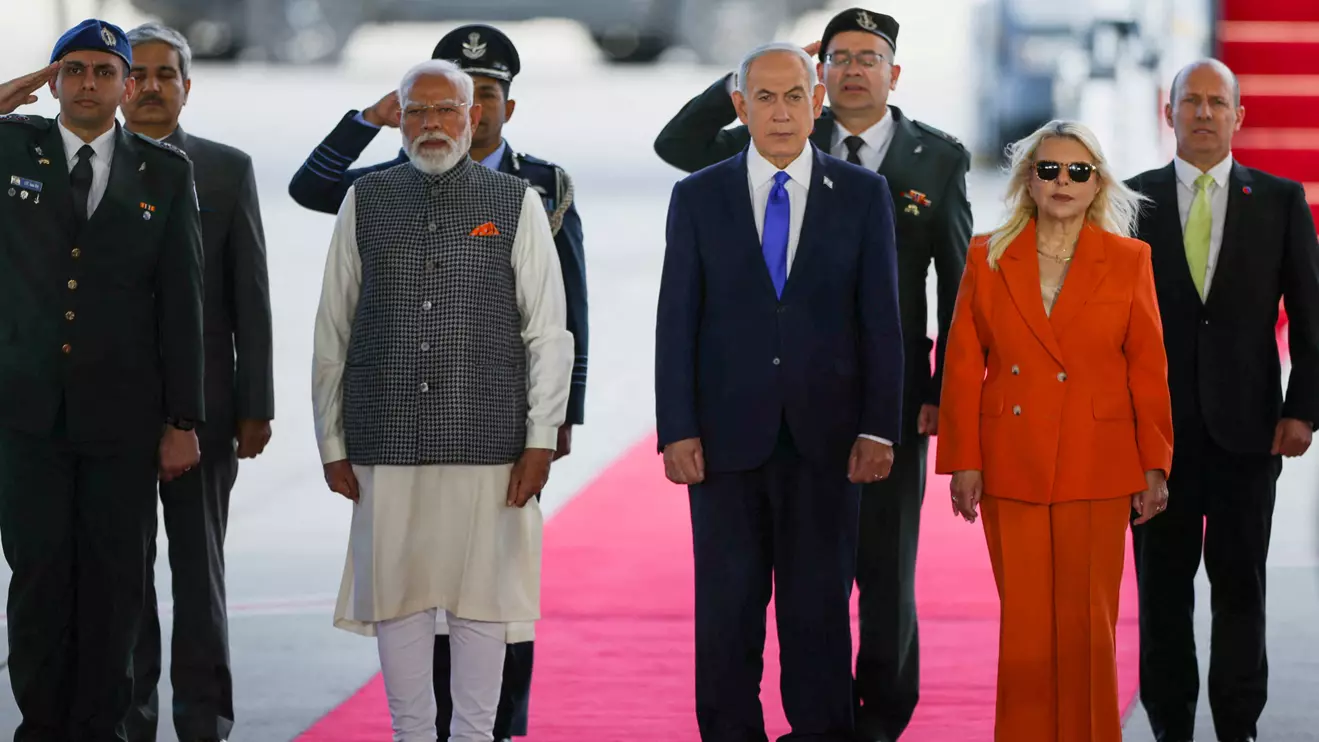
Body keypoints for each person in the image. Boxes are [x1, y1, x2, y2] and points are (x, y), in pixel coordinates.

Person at [653, 11, 971, 735]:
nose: (852, 69)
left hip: (862, 412)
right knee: (735, 605)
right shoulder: (738, 164)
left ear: (891, 72)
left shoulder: (923, 163)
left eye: (869, 57)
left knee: (865, 586)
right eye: (836, 57)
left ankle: (875, 718)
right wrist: (759, 71)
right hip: (738, 426)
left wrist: (937, 393)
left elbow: (929, 298)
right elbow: (676, 315)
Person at [291, 31, 585, 735]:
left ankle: (480, 734)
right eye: (414, 111)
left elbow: (550, 331)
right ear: (396, 114)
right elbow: (332, 327)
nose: (431, 125)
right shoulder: (365, 198)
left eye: (446, 110)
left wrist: (543, 436)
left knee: (485, 604)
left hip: (491, 441)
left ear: (473, 117)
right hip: (384, 438)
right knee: (398, 599)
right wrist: (331, 440)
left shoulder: (517, 200)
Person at [0, 19, 205, 740]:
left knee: (117, 588)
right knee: (37, 585)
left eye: (103, 71)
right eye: (74, 69)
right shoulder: (10, 149)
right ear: (53, 80)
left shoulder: (165, 171)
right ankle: (41, 727)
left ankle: (102, 729)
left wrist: (182, 420)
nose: (88, 83)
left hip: (123, 420)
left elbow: (182, 304)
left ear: (126, 84)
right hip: (25, 418)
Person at [935, 120, 1173, 741]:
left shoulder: (1129, 260)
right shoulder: (987, 255)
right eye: (1048, 170)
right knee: (1027, 626)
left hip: (1099, 461)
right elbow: (961, 364)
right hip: (1011, 460)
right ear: (1028, 181)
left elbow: (1148, 368)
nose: (1062, 182)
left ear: (1098, 183)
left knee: (1088, 625)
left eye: (1077, 171)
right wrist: (964, 460)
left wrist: (1156, 464)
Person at [1126, 59, 1319, 742]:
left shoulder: (1277, 199)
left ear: (1238, 117)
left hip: (1248, 434)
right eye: (1190, 102)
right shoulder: (1128, 201)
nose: (1203, 114)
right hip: (1153, 443)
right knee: (1161, 599)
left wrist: (1302, 408)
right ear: (1167, 111)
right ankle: (1169, 727)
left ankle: (1238, 727)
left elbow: (1309, 310)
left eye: (1217, 103)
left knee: (1241, 592)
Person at [116, 22, 275, 742]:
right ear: (118, 85)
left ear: (188, 85)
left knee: (198, 579)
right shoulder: (80, 168)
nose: (150, 87)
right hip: (106, 415)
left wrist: (255, 406)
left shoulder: (224, 169)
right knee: (122, 580)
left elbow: (252, 298)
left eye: (164, 74)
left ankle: (204, 720)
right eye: (137, 74)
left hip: (206, 415)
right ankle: (131, 716)